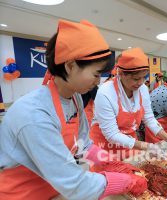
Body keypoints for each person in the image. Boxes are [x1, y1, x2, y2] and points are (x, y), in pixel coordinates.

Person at [0, 20, 147, 199]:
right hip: (23, 194)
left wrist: (110, 161)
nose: (98, 82)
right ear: (70, 66)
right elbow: (74, 183)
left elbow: (83, 145)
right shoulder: (34, 115)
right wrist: (125, 182)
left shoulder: (75, 98)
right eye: (96, 74)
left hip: (55, 189)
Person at [90, 48, 167, 160]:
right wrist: (146, 146)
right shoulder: (106, 92)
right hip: (105, 146)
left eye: (144, 77)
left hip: (130, 143)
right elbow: (112, 135)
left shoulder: (142, 89)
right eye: (135, 79)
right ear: (121, 73)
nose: (140, 83)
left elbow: (149, 119)